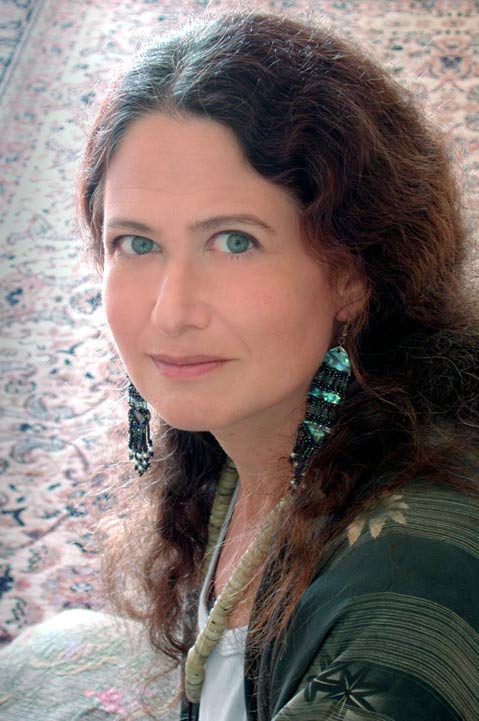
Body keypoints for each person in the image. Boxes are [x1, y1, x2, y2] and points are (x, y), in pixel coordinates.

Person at [78, 10, 479, 721]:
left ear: (351, 273)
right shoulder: (268, 419)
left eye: (234, 241)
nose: (170, 312)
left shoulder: (398, 606)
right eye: (136, 243)